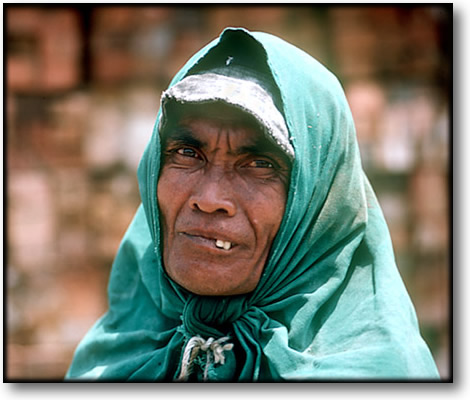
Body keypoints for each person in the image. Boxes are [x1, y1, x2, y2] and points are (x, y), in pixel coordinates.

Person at [66, 28, 439, 381]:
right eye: (186, 152)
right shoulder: (117, 358)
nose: (210, 199)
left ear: (318, 204)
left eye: (260, 164)